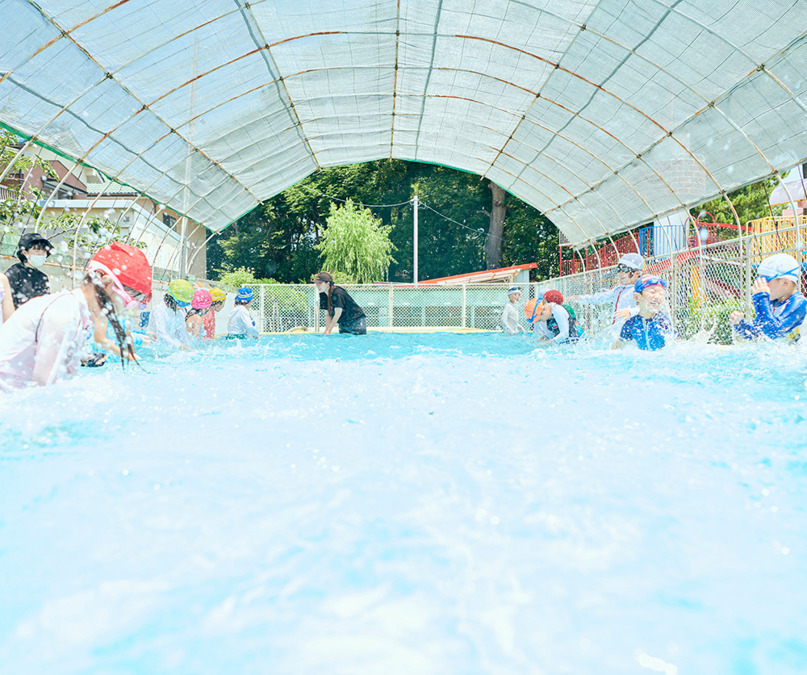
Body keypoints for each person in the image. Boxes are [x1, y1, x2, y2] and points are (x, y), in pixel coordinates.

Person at [0, 247, 151, 389]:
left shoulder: (78, 314)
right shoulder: (64, 313)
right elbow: (44, 390)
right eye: (128, 300)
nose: (125, 307)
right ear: (105, 281)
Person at [86, 243, 153, 362]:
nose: (126, 303)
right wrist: (129, 356)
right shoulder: (99, 305)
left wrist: (133, 355)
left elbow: (127, 338)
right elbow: (100, 339)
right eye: (126, 297)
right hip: (95, 358)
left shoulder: (124, 312)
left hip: (114, 361)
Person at [729, 253, 807, 343]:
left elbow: (775, 332)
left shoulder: (800, 303)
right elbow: (757, 333)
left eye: (765, 280)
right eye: (759, 279)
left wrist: (762, 298)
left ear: (785, 283)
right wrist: (740, 324)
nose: (761, 284)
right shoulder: (772, 303)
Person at [569, 253, 643, 331]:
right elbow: (600, 298)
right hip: (616, 331)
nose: (620, 273)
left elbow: (645, 307)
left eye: (624, 269)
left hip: (631, 332)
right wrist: (580, 298)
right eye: (619, 269)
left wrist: (630, 312)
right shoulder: (618, 290)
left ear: (637, 273)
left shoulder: (639, 290)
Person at [613, 275, 677, 350]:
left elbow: (676, 345)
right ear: (637, 297)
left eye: (661, 293)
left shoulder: (663, 321)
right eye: (652, 292)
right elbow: (618, 346)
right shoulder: (631, 324)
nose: (657, 296)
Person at [5, 232, 53, 309]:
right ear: (25, 253)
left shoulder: (43, 277)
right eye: (37, 251)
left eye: (44, 251)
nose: (41, 254)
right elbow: (6, 302)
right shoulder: (14, 272)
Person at [147, 279, 193, 349]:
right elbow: (161, 335)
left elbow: (181, 335)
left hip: (167, 348)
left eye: (186, 304)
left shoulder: (179, 313)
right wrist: (180, 346)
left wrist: (189, 347)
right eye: (181, 303)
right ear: (171, 299)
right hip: (152, 348)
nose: (182, 307)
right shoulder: (158, 310)